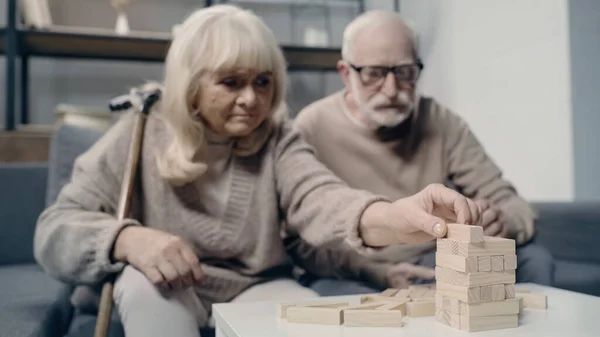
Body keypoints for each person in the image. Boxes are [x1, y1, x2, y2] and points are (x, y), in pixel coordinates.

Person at [33, 5, 482, 337]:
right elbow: (53, 230)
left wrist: (400, 218)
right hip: (165, 287)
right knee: (145, 284)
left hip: (253, 288)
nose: (251, 99)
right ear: (191, 86)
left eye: (262, 82)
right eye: (231, 82)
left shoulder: (278, 139)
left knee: (313, 320)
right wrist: (127, 239)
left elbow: (323, 199)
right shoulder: (141, 129)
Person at [293, 9, 555, 296]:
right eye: (374, 74)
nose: (391, 90)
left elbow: (515, 206)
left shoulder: (442, 122)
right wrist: (379, 273)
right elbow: (299, 239)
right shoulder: (312, 126)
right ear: (345, 74)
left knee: (534, 260)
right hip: (358, 268)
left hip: (436, 262)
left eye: (404, 72)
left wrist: (504, 221)